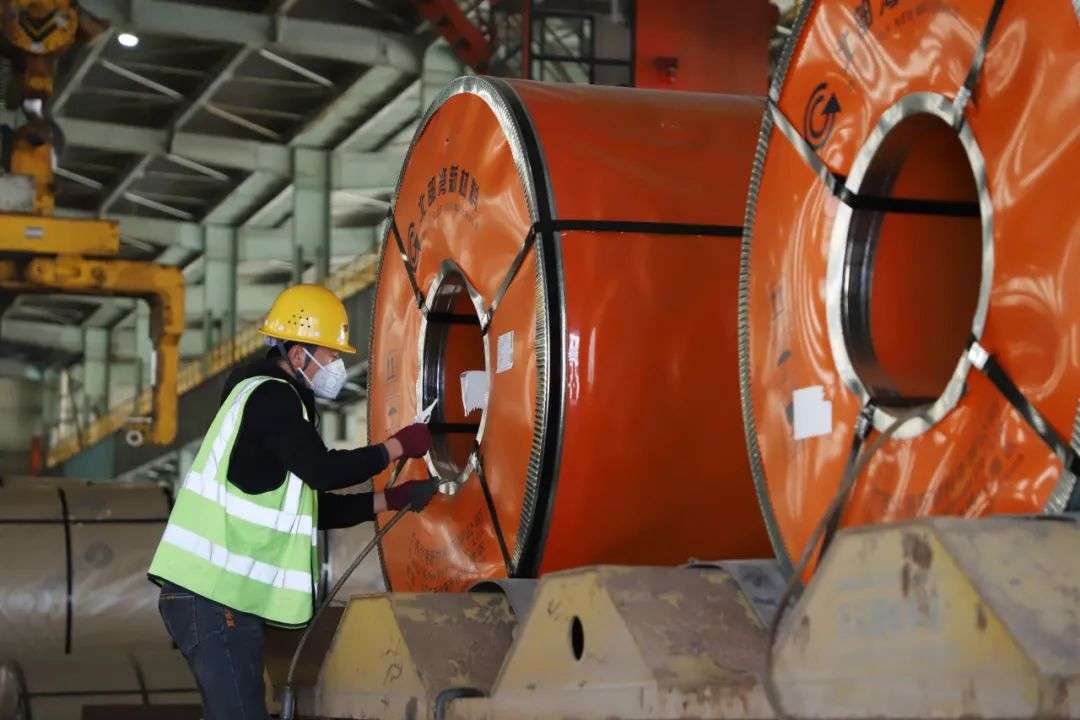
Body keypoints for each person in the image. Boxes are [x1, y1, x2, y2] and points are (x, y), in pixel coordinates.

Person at [147, 284, 437, 720]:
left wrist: (392, 499)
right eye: (332, 355)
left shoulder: (263, 402)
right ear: (299, 355)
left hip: (214, 598)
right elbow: (324, 470)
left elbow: (313, 508)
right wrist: (398, 446)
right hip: (212, 599)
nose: (337, 367)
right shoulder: (272, 398)